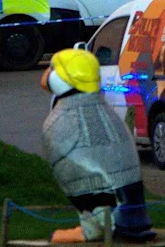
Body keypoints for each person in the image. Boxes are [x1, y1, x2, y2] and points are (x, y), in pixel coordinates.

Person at [41, 49, 154, 243]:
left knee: (73, 166)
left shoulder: (61, 120)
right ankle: (120, 220)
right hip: (129, 202)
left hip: (106, 204)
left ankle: (92, 227)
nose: (46, 74)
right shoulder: (107, 113)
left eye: (53, 68)